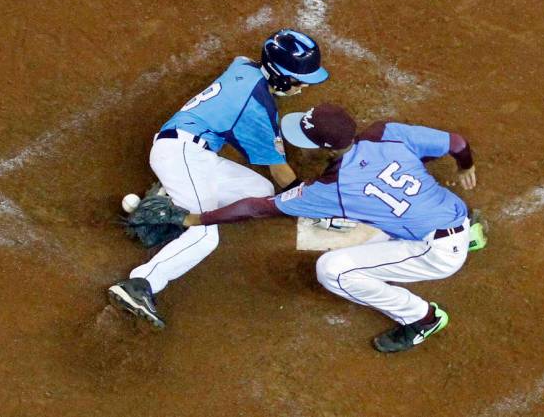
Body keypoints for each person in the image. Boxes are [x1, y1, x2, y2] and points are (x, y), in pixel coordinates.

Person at [180, 103, 477, 353]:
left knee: (332, 270)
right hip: (454, 213)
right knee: (359, 222)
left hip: (435, 253)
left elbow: (259, 208)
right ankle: (470, 235)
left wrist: (195, 219)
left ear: (324, 149)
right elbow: (457, 144)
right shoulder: (384, 133)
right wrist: (465, 166)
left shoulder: (330, 190)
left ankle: (423, 319)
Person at [107, 30, 329, 328]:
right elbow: (280, 171)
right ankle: (140, 283)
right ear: (280, 76)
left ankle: (169, 201)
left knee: (259, 190)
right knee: (206, 234)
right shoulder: (257, 108)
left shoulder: (245, 67)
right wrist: (314, 205)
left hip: (192, 153)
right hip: (180, 154)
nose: (303, 86)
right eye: (299, 79)